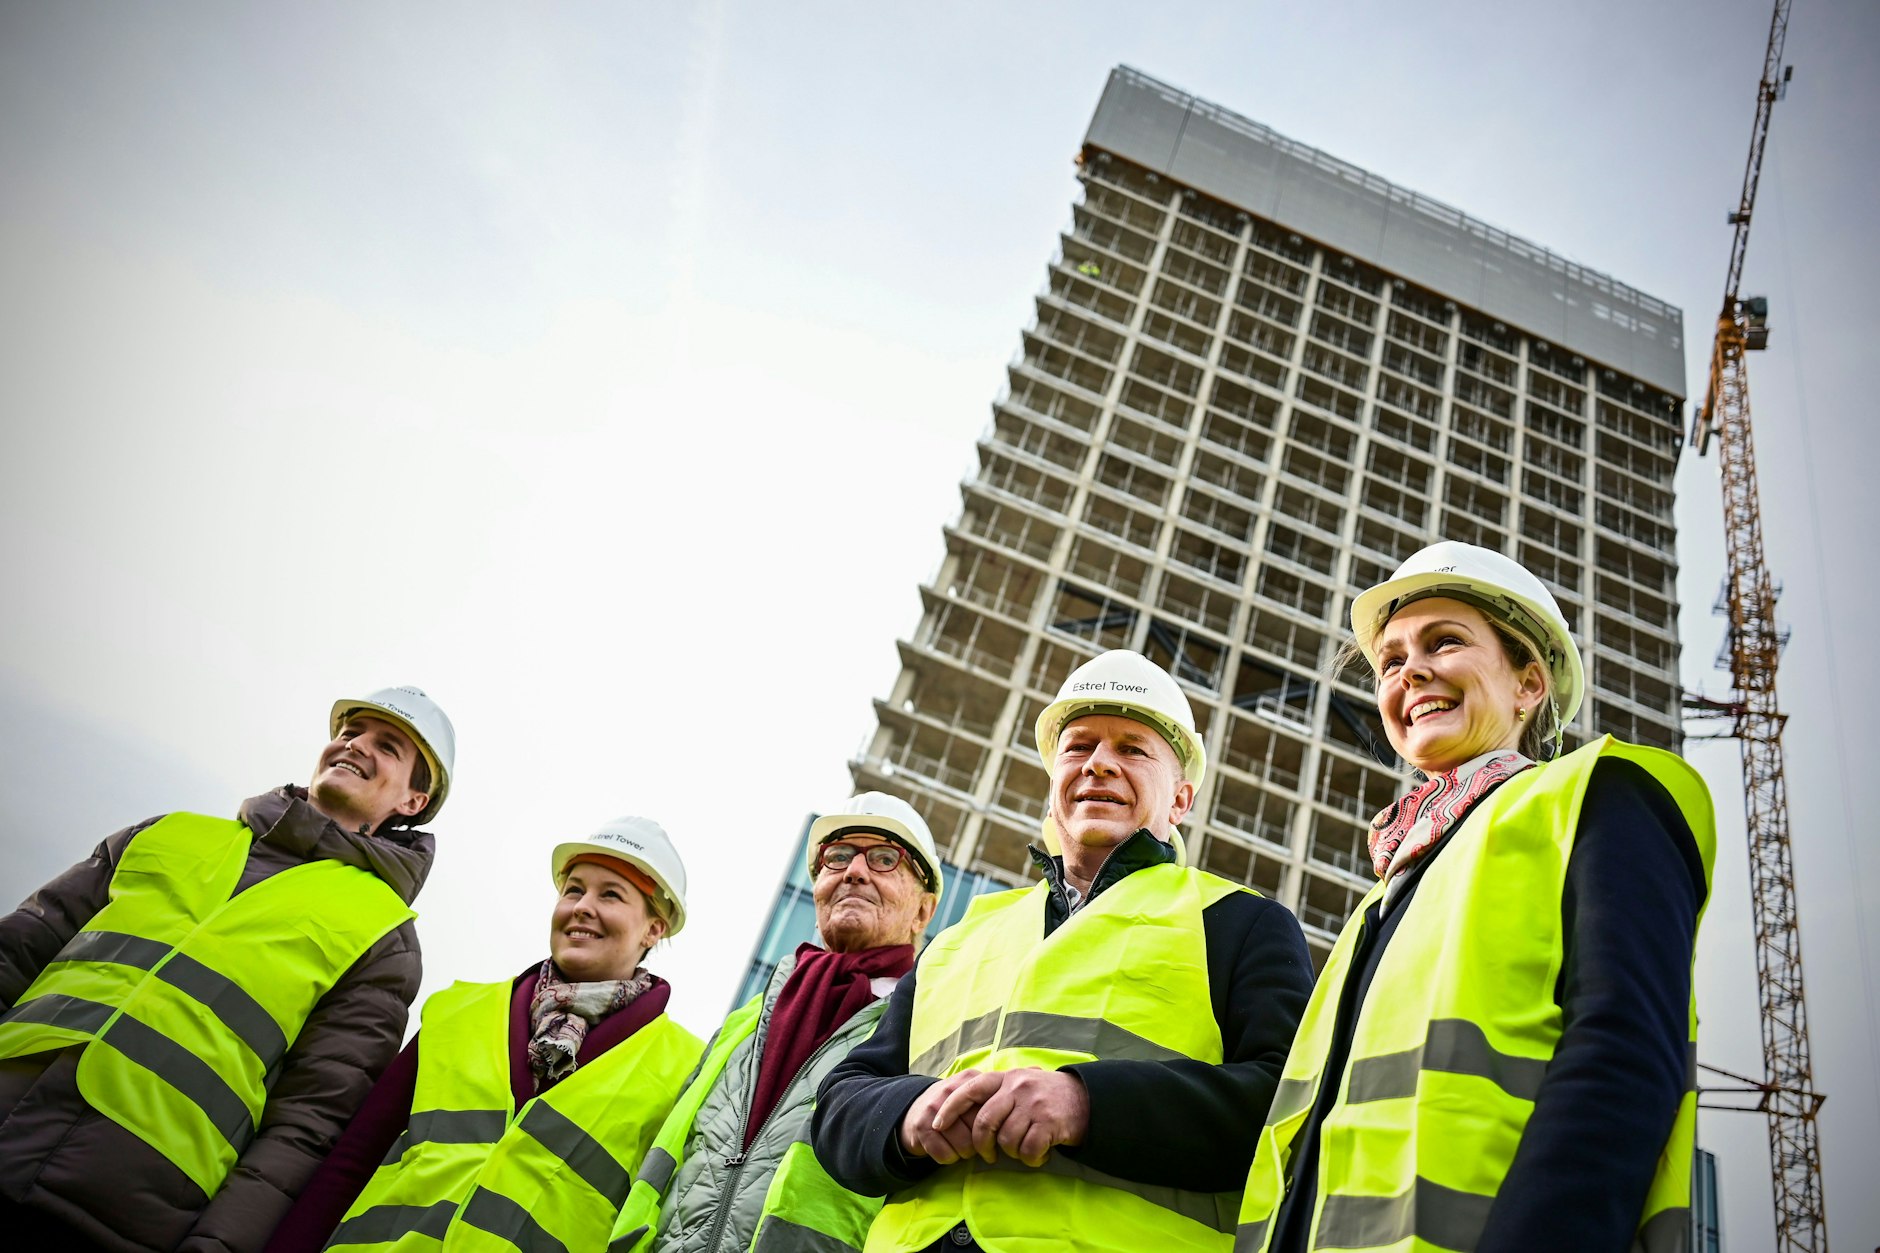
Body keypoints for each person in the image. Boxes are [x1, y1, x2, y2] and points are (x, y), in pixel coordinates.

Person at [1236, 541, 1716, 1253]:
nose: (1411, 671)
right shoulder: (1382, 900)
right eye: (1392, 660)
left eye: (1444, 641)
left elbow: (1623, 1055)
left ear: (1529, 684)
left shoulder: (1601, 796)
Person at [814, 649, 1315, 1253]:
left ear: (1181, 799)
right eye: (1078, 747)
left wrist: (1085, 1102)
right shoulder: (962, 938)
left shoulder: (1240, 922)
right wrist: (906, 1115)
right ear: (1054, 786)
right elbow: (843, 1099)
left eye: (1132, 748)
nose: (1099, 764)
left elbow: (1289, 1110)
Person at [0, 686, 455, 1253]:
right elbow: (13, 957)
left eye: (387, 745)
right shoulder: (166, 834)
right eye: (349, 732)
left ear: (412, 802)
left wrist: (220, 1245)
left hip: (122, 1215)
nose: (356, 746)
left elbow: (309, 1122)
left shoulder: (383, 937)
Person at [268, 817, 705, 1252]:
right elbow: (352, 1161)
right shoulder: (457, 1013)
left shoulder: (685, 1072)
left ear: (654, 927)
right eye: (574, 889)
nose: (582, 906)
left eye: (611, 894)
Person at [611, 792, 942, 1253]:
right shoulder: (750, 1017)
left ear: (923, 912)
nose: (855, 871)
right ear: (818, 888)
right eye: (838, 857)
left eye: (885, 859)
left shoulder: (929, 1025)